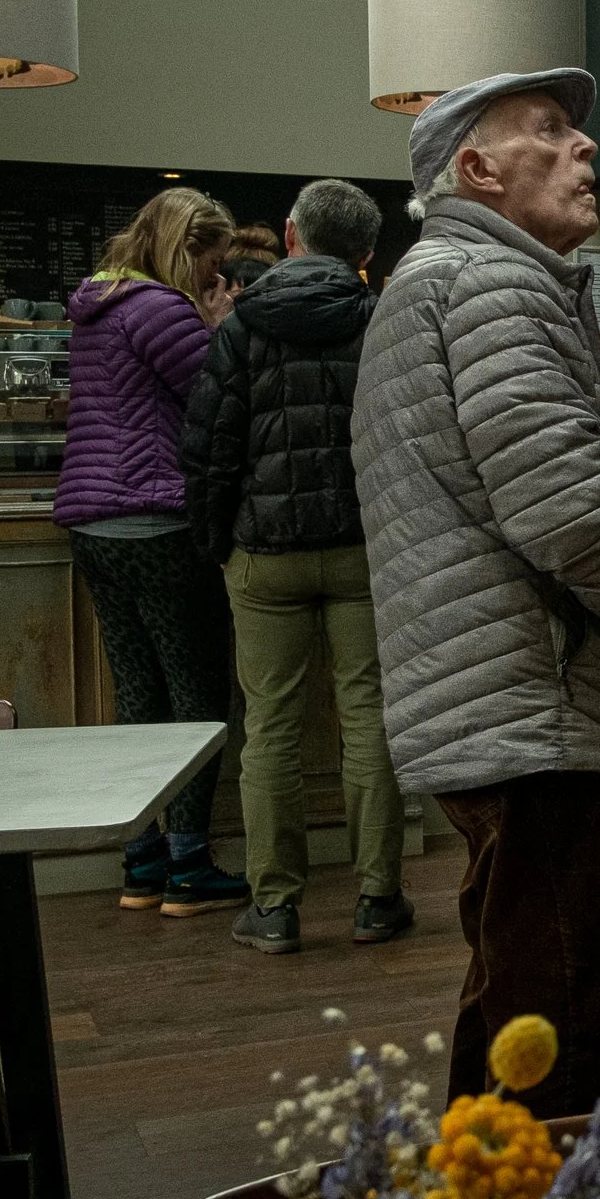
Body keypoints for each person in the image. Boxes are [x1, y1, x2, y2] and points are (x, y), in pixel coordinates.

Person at [351, 69, 600, 1117]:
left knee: (529, 989)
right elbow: (572, 515)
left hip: (501, 696)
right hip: (529, 704)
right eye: (548, 131)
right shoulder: (491, 286)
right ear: (477, 170)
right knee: (561, 1013)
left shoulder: (444, 281)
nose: (584, 147)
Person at [181, 179, 413, 956]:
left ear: (289, 236)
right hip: (361, 548)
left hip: (265, 551)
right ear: (368, 253)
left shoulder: (242, 324)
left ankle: (274, 906)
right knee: (367, 716)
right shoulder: (383, 321)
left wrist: (218, 541)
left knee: (270, 730)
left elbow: (210, 446)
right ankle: (379, 898)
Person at [55, 187, 251, 916]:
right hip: (158, 521)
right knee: (198, 697)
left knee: (138, 690)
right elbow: (215, 398)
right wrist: (220, 329)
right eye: (210, 257)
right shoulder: (163, 309)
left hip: (94, 526)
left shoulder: (96, 306)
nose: (215, 272)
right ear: (182, 247)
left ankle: (140, 858)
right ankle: (190, 864)